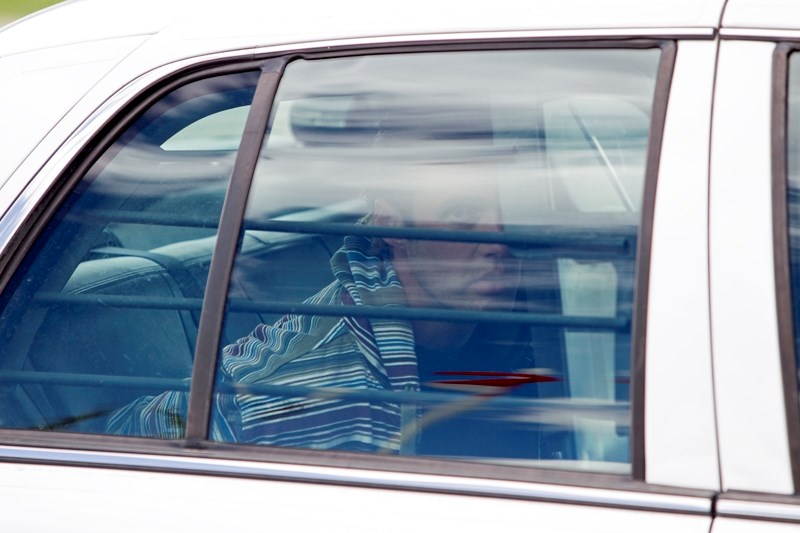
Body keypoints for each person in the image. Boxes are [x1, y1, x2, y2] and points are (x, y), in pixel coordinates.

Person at [107, 162, 538, 455]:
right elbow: (135, 439)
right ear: (392, 226)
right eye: (462, 213)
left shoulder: (559, 324)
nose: (498, 238)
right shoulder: (279, 394)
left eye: (515, 213)